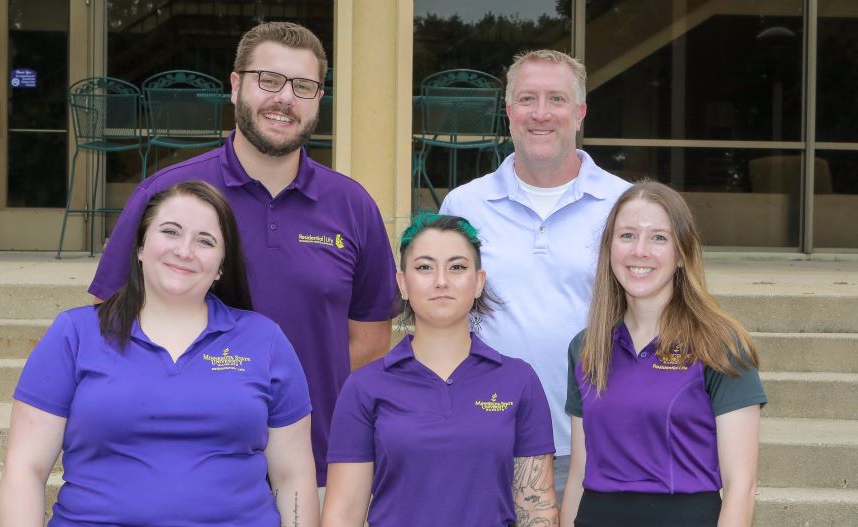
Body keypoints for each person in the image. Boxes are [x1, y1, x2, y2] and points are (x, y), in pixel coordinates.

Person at [87, 21, 399, 487]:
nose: (285, 98)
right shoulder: (169, 194)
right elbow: (110, 319)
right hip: (187, 470)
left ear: (319, 100)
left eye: (304, 86)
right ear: (236, 86)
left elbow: (370, 342)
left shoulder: (353, 206)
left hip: (315, 468)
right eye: (268, 80)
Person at [0, 181, 318, 526]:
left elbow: (293, 478)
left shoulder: (264, 340)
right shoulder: (74, 335)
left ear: (221, 267)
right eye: (170, 232)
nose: (184, 250)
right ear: (139, 246)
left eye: (205, 241)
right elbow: (26, 468)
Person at [440, 49, 631, 498]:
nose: (541, 114)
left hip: (597, 443)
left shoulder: (626, 206)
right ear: (508, 112)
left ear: (580, 113)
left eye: (557, 100)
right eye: (527, 99)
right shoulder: (463, 207)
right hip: (487, 440)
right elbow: (439, 321)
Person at [322, 214, 558, 527]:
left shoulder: (519, 380)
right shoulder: (364, 387)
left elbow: (537, 511)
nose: (441, 280)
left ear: (479, 282)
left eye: (457, 267)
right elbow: (343, 514)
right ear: (403, 283)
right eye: (424, 267)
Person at [560, 181, 766, 527]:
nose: (640, 250)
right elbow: (580, 471)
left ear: (682, 254)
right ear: (609, 248)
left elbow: (740, 486)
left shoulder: (720, 345)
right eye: (627, 235)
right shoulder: (587, 347)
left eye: (658, 237)